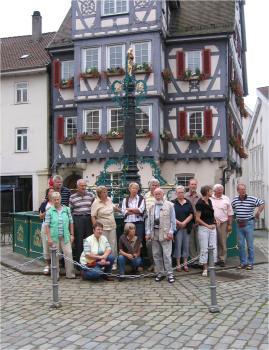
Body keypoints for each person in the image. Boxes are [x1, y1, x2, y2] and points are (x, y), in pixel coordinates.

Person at [146, 188, 176, 283]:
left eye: (159, 193)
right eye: (156, 194)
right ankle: (160, 272)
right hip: (154, 233)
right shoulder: (151, 206)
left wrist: (171, 232)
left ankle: (170, 273)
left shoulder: (170, 205)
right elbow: (148, 221)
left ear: (163, 194)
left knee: (167, 255)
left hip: (166, 233)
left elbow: (173, 220)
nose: (157, 195)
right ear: (154, 195)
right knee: (156, 254)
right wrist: (148, 233)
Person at [231, 183, 265, 270]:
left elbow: (262, 203)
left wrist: (258, 212)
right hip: (239, 224)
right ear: (238, 190)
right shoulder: (235, 200)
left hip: (249, 223)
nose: (243, 191)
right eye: (241, 189)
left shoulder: (251, 199)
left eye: (244, 189)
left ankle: (250, 263)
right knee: (241, 245)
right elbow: (231, 208)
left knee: (250, 245)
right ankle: (243, 263)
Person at [45, 192, 76, 279]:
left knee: (68, 253)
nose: (56, 201)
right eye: (54, 199)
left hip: (65, 236)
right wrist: (49, 238)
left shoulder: (66, 209)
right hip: (54, 237)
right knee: (55, 256)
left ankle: (70, 274)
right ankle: (55, 275)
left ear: (60, 199)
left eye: (58, 199)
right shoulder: (49, 211)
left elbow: (71, 222)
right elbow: (47, 225)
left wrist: (72, 234)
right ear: (52, 200)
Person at [91, 186, 121, 270]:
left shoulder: (109, 199)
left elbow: (113, 208)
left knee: (113, 245)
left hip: (112, 225)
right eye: (104, 192)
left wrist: (119, 209)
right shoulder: (96, 203)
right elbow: (93, 216)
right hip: (102, 228)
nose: (106, 193)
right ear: (99, 194)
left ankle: (113, 263)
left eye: (106, 191)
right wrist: (96, 228)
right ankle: (103, 263)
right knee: (103, 246)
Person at [69, 179, 95, 264]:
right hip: (78, 219)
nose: (84, 187)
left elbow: (95, 207)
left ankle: (89, 261)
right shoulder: (72, 197)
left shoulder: (91, 195)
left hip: (88, 219)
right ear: (77, 187)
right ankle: (79, 263)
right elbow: (70, 211)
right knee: (79, 241)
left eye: (85, 186)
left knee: (89, 240)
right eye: (82, 186)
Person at [195, 185, 217, 277]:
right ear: (206, 191)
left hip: (212, 227)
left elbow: (211, 214)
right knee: (204, 248)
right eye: (211, 190)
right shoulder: (199, 203)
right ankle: (205, 268)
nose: (212, 192)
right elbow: (197, 219)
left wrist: (215, 221)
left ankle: (211, 266)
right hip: (204, 228)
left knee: (213, 247)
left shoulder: (210, 201)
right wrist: (207, 225)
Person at [172, 186, 194, 272]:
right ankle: (178, 264)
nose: (180, 194)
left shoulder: (188, 202)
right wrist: (179, 223)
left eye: (182, 192)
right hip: (177, 228)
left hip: (186, 227)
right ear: (176, 193)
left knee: (186, 246)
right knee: (178, 245)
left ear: (184, 193)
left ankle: (185, 263)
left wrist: (184, 222)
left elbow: (191, 214)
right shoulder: (173, 203)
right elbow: (171, 215)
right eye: (178, 192)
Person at [211, 184, 234, 267]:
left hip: (223, 223)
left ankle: (222, 259)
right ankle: (214, 259)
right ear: (214, 191)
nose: (220, 192)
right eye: (218, 191)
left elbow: (230, 213)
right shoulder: (210, 198)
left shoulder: (226, 198)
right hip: (212, 223)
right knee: (213, 241)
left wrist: (230, 224)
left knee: (222, 241)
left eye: (221, 190)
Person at [144, 178, 161, 271]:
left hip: (160, 222)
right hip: (149, 222)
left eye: (156, 185)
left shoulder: (162, 195)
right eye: (152, 185)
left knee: (159, 243)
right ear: (149, 186)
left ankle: (159, 265)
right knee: (149, 243)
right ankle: (153, 263)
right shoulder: (145, 196)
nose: (154, 186)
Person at [185, 179, 201, 264]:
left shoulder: (200, 196)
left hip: (198, 221)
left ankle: (199, 259)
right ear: (189, 185)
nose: (193, 186)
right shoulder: (185, 196)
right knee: (191, 242)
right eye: (192, 184)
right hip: (189, 221)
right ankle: (194, 260)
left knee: (199, 241)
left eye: (195, 184)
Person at [39, 187, 54, 275]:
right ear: (47, 194)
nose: (52, 193)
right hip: (45, 227)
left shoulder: (57, 202)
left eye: (53, 191)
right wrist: (47, 211)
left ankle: (55, 265)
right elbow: (40, 216)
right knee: (46, 246)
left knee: (55, 246)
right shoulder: (44, 204)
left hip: (55, 227)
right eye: (50, 192)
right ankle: (47, 265)